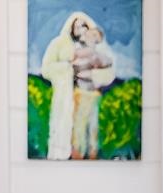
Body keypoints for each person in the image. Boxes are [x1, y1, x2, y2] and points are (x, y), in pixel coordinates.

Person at [38, 12, 117, 160]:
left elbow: (109, 70)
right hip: (66, 98)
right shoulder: (59, 44)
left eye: (84, 25)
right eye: (77, 26)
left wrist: (93, 76)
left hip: (89, 96)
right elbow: (46, 68)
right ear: (71, 27)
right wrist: (68, 68)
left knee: (91, 134)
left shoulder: (97, 46)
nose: (81, 29)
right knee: (65, 134)